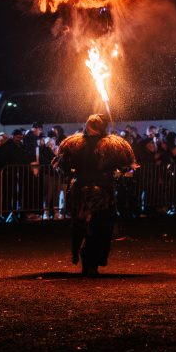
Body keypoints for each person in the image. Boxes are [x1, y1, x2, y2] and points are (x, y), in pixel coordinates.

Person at [52, 114, 137, 276]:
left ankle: (85, 258)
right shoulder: (109, 144)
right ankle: (90, 260)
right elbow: (127, 166)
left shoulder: (76, 143)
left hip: (88, 188)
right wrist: (122, 171)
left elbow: (62, 166)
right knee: (98, 226)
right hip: (97, 190)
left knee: (86, 225)